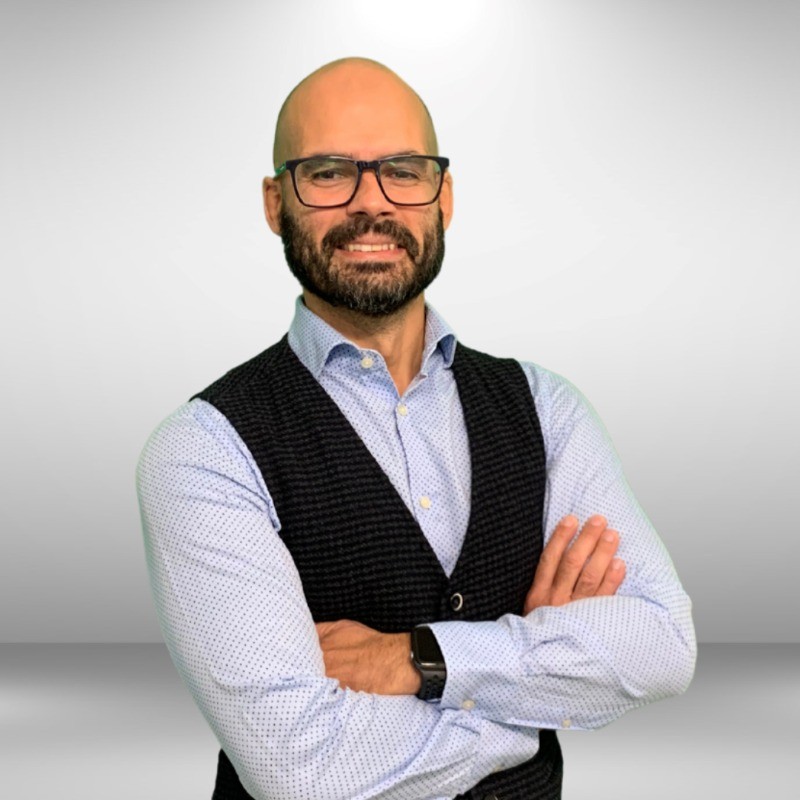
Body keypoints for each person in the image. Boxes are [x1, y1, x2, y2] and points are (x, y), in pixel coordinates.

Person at [136, 57, 696, 800]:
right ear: (276, 203)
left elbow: (663, 642)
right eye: (329, 173)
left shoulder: (547, 408)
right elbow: (300, 770)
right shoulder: (204, 448)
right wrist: (537, 692)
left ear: (444, 198)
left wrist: (422, 659)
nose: (372, 203)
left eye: (403, 171)